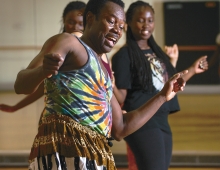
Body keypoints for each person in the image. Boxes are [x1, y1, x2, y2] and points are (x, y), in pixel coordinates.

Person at [13, 0, 187, 169]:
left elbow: (120, 128)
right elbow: (21, 85)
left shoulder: (104, 73)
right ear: (90, 18)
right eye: (111, 21)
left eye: (120, 26)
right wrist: (43, 70)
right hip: (63, 153)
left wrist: (163, 96)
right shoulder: (69, 42)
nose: (116, 30)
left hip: (95, 158)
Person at [111, 1, 208, 170]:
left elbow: (169, 85)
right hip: (142, 120)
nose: (146, 25)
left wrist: (192, 70)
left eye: (150, 20)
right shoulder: (124, 55)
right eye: (140, 20)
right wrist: (110, 85)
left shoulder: (157, 52)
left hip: (161, 119)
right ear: (129, 23)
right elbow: (122, 97)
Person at [0, 1, 86, 113]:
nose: (75, 27)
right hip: (59, 120)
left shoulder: (94, 50)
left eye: (81, 23)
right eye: (71, 22)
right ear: (64, 20)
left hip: (90, 122)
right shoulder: (55, 46)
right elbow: (39, 86)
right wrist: (16, 107)